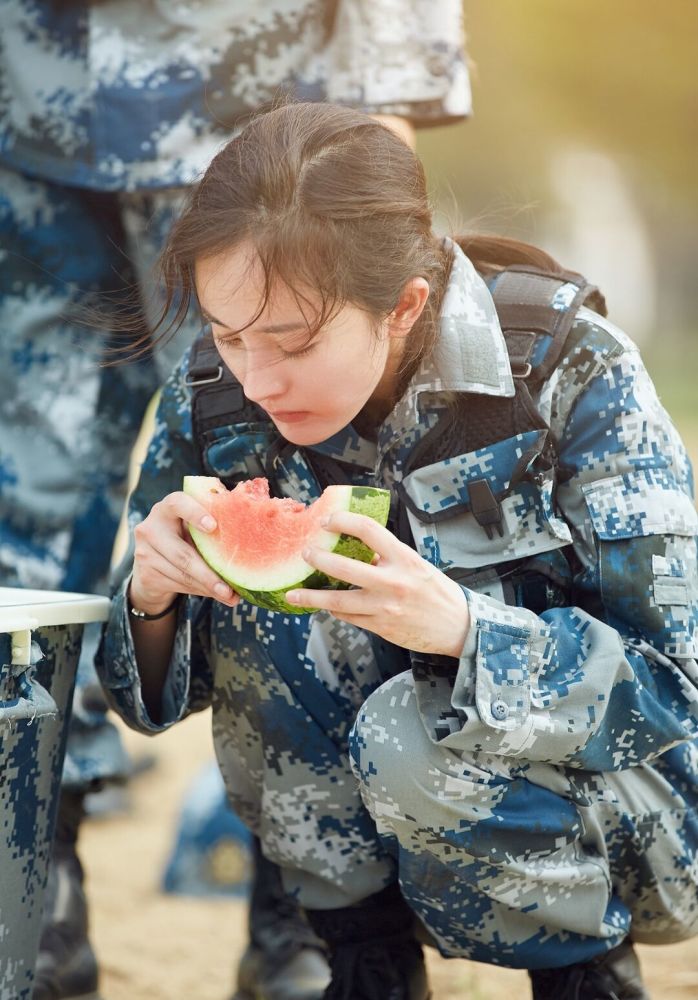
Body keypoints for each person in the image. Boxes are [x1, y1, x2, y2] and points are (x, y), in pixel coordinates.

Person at [96, 101, 698, 1000]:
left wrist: (464, 632)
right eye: (229, 336)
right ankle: (363, 962)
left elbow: (674, 683)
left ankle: (585, 972)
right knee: (282, 622)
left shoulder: (577, 374)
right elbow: (138, 703)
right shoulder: (217, 397)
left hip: (634, 830)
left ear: (404, 305)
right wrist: (151, 598)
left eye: (293, 341)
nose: (256, 379)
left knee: (404, 736)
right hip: (351, 853)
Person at [0, 5, 471, 999]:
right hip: (26, 113)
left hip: (258, 119)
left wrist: (385, 100)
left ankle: (299, 897)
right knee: (17, 512)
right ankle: (33, 870)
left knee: (301, 488)